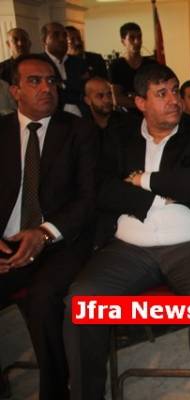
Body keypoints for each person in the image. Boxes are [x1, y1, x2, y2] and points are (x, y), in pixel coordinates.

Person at [63, 63, 190, 400]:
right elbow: (101, 188)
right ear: (140, 102)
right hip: (127, 248)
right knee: (81, 301)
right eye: (161, 93)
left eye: (175, 91)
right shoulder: (117, 135)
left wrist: (142, 180)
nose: (174, 100)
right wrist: (160, 197)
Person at [0, 54, 97, 400]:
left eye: (51, 81)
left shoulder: (79, 131)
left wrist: (43, 234)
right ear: (15, 91)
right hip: (8, 242)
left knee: (43, 299)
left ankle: (55, 391)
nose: (46, 88)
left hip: (60, 241)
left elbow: (88, 198)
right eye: (34, 81)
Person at [40, 22, 88, 117]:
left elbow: (85, 90)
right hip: (52, 116)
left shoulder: (79, 62)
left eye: (64, 35)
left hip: (82, 116)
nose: (62, 39)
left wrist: (61, 84)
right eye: (56, 35)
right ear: (44, 40)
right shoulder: (39, 63)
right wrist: (72, 85)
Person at [108, 22, 156, 110]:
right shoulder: (116, 66)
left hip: (150, 112)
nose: (137, 41)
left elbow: (155, 91)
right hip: (126, 114)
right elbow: (117, 98)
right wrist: (143, 103)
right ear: (123, 41)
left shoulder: (151, 65)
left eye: (139, 37)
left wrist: (132, 97)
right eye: (132, 38)